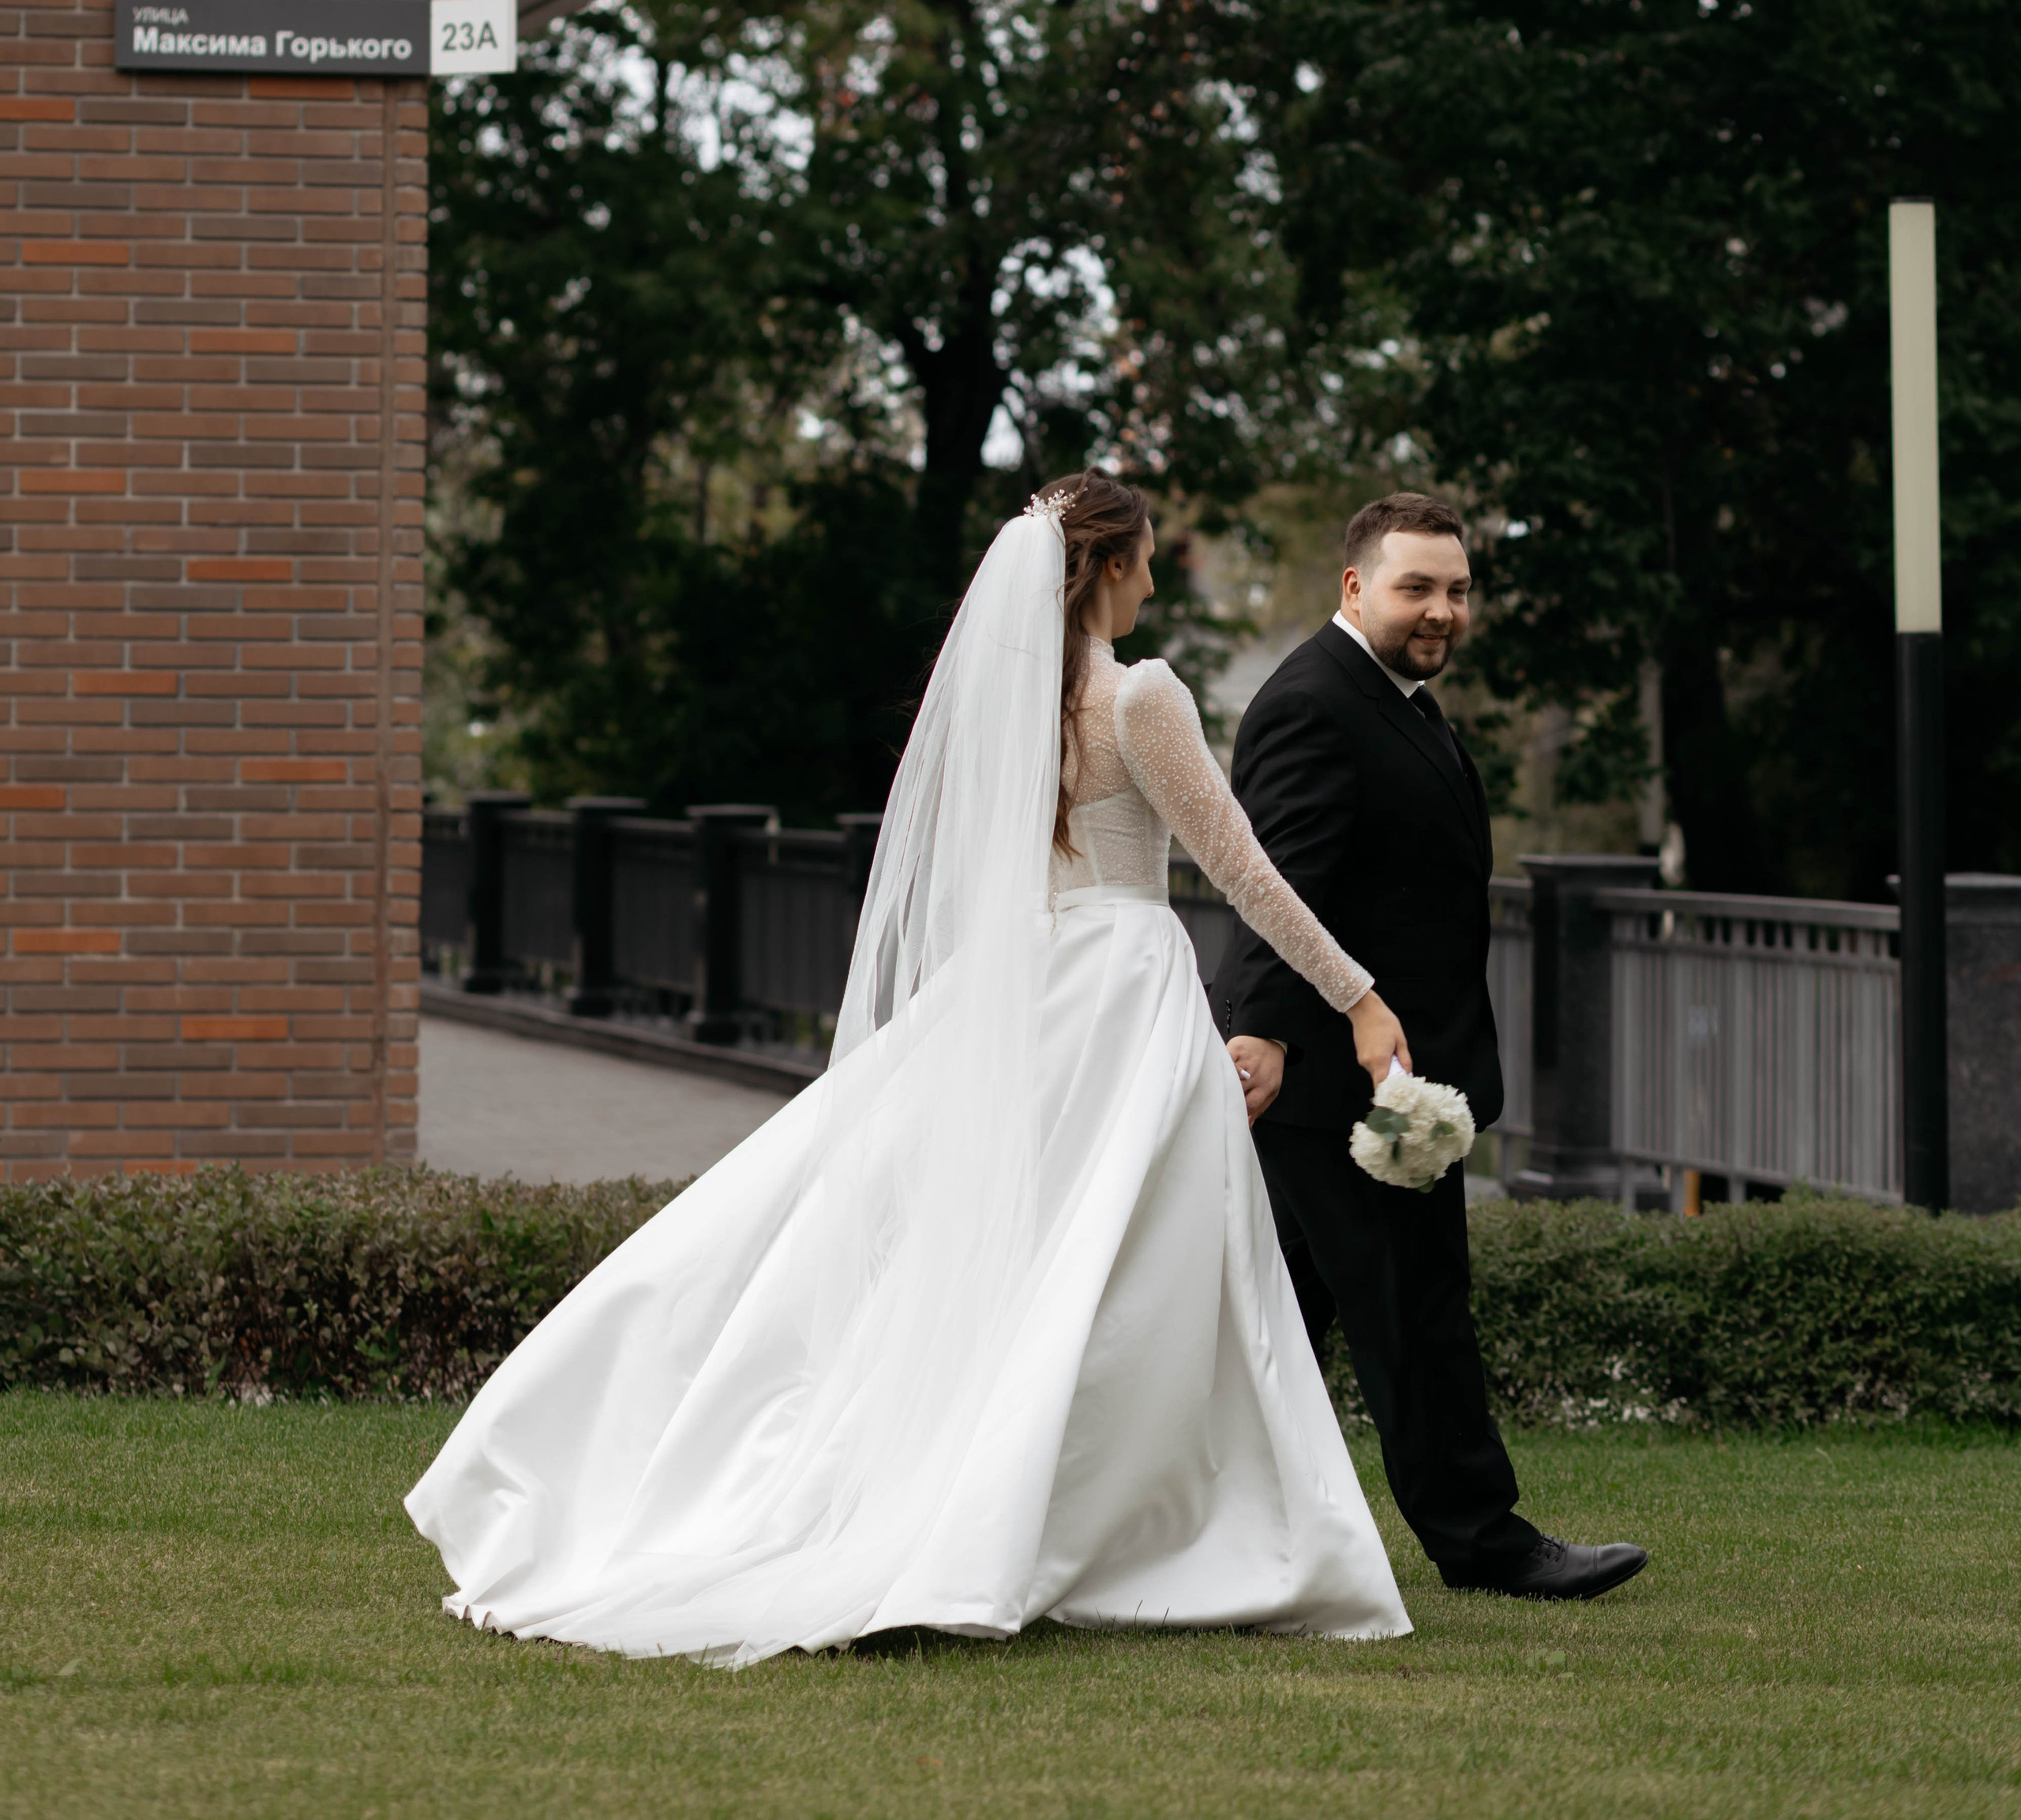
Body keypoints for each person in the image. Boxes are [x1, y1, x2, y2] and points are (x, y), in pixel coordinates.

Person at [406, 474, 1411, 1665]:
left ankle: (1057, 1513)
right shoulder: (1144, 699)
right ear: (1108, 568)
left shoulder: (1018, 706)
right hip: (1123, 996)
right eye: (1141, 560)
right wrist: (1358, 995)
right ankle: (1138, 1527)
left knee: (1032, 1261)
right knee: (1136, 1268)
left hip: (1032, 986)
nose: (1149, 580)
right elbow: (1243, 870)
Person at [1217, 492, 1648, 1601]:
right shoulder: (1317, 702)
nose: (1441, 611)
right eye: (1417, 587)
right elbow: (1278, 887)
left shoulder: (1400, 699)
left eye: (1456, 591)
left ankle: (1221, 1538)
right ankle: (1485, 1542)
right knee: (1416, 1312)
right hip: (1343, 1085)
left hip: (1381, 1074)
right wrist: (1261, 1032)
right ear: (1354, 586)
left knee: (1277, 1332)